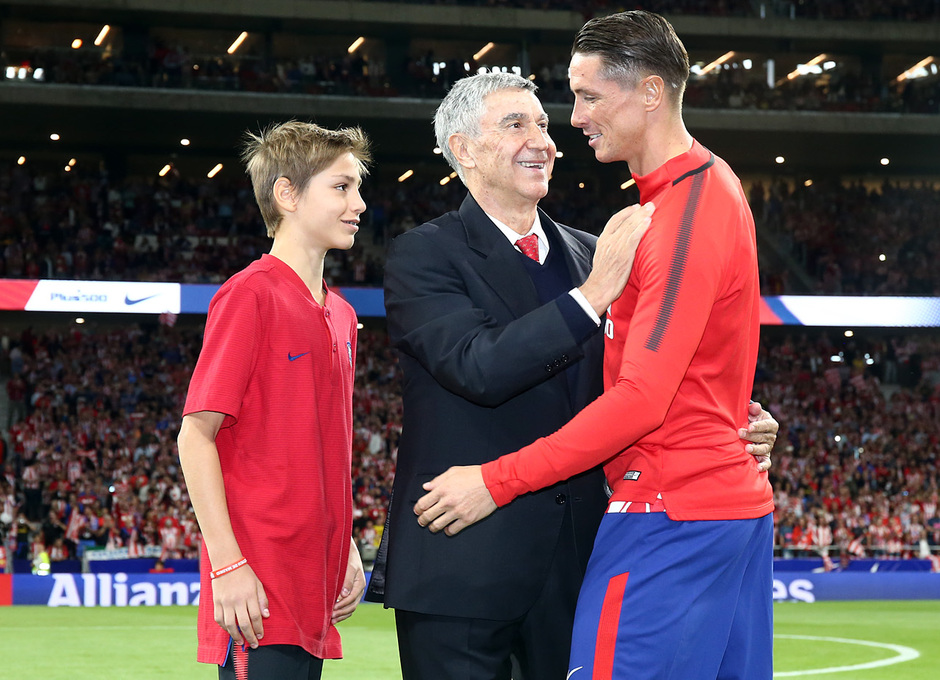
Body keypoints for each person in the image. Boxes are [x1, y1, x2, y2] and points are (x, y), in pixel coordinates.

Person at [366, 72, 777, 680]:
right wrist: (591, 298)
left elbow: (647, 371)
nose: (544, 140)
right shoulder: (421, 255)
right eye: (515, 125)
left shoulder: (595, 250)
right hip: (463, 563)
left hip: (577, 564)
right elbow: (477, 366)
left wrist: (735, 415)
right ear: (462, 150)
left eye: (544, 124)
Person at [178, 121, 370, 680]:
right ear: (287, 194)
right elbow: (195, 436)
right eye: (341, 187)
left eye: (358, 188)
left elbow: (326, 450)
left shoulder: (343, 314)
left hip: (316, 588)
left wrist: (349, 541)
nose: (359, 203)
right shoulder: (250, 295)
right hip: (256, 594)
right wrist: (228, 563)